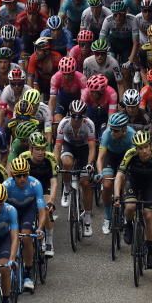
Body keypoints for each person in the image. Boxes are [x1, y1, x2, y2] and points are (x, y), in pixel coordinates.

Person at [113, 130, 152, 269]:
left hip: (150, 183)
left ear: (150, 145)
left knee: (148, 215)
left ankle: (150, 252)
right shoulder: (130, 154)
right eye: (140, 148)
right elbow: (120, 175)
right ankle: (129, 225)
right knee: (130, 206)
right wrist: (117, 196)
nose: (144, 151)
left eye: (146, 147)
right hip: (134, 181)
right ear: (136, 149)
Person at [3, 157, 47, 293]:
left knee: (27, 236)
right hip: (13, 210)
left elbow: (41, 209)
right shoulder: (6, 186)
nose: (22, 178)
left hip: (28, 209)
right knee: (9, 236)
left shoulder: (35, 184)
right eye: (18, 175)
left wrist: (40, 228)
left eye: (25, 175)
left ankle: (28, 274)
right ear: (12, 175)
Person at [54, 100, 97, 236]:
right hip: (69, 145)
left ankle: (88, 218)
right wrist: (55, 162)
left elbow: (91, 148)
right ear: (70, 115)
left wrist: (90, 163)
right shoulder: (63, 124)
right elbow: (58, 146)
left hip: (84, 149)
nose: (76, 119)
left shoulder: (89, 125)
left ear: (84, 117)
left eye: (79, 116)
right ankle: (66, 188)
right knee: (66, 163)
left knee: (85, 183)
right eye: (74, 116)